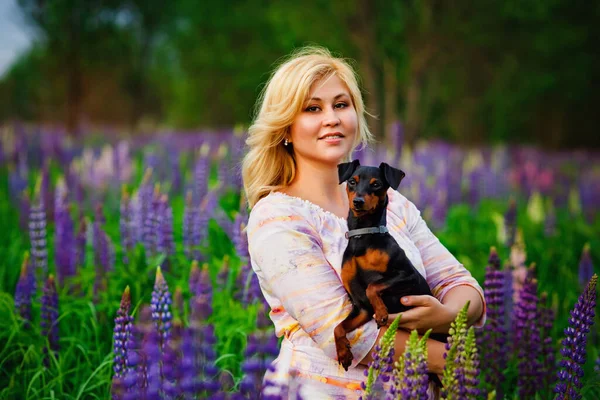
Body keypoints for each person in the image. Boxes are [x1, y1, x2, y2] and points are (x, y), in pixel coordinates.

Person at [241, 46, 486, 399]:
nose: (332, 118)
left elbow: (458, 282)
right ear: (286, 130)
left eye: (341, 105)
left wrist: (447, 316)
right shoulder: (278, 218)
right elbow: (351, 335)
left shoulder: (391, 202)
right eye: (313, 108)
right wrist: (452, 358)